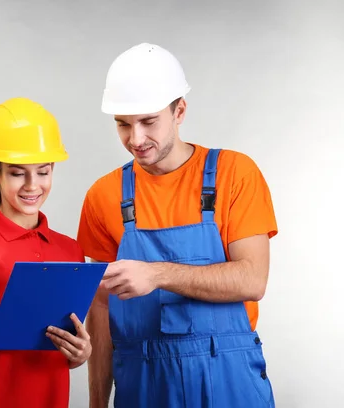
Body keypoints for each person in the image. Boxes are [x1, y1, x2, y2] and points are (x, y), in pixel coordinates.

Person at [77, 43, 278, 407]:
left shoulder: (235, 174)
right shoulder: (102, 196)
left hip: (229, 381)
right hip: (143, 384)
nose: (135, 139)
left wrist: (157, 274)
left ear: (179, 110)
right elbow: (101, 308)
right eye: (123, 125)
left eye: (148, 121)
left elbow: (252, 279)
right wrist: (96, 403)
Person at [0, 97, 92, 408]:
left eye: (43, 172)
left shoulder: (70, 250)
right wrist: (13, 319)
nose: (32, 185)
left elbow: (62, 339)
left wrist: (80, 352)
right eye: (18, 173)